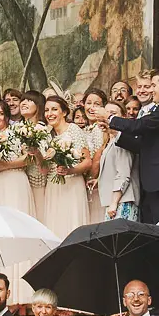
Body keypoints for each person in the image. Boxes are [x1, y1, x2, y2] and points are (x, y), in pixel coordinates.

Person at [106, 67, 159, 224]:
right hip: (152, 182)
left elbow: (139, 126)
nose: (151, 91)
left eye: (154, 86)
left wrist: (110, 118)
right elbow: (142, 144)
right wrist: (117, 134)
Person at [37, 95, 94, 242]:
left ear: (64, 112)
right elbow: (44, 170)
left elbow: (87, 161)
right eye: (47, 110)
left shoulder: (73, 129)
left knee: (72, 228)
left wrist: (70, 170)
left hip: (72, 186)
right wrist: (36, 152)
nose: (50, 113)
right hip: (53, 188)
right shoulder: (46, 136)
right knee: (55, 229)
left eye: (54, 109)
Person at [0, 98, 34, 217]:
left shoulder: (15, 133)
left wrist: (6, 165)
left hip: (14, 181)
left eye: (1, 114)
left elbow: (29, 158)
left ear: (7, 116)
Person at [98, 100, 140, 221]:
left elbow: (123, 174)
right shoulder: (110, 140)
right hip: (115, 202)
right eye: (105, 113)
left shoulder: (122, 140)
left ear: (122, 117)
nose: (107, 116)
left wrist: (114, 203)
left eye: (113, 113)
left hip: (122, 201)